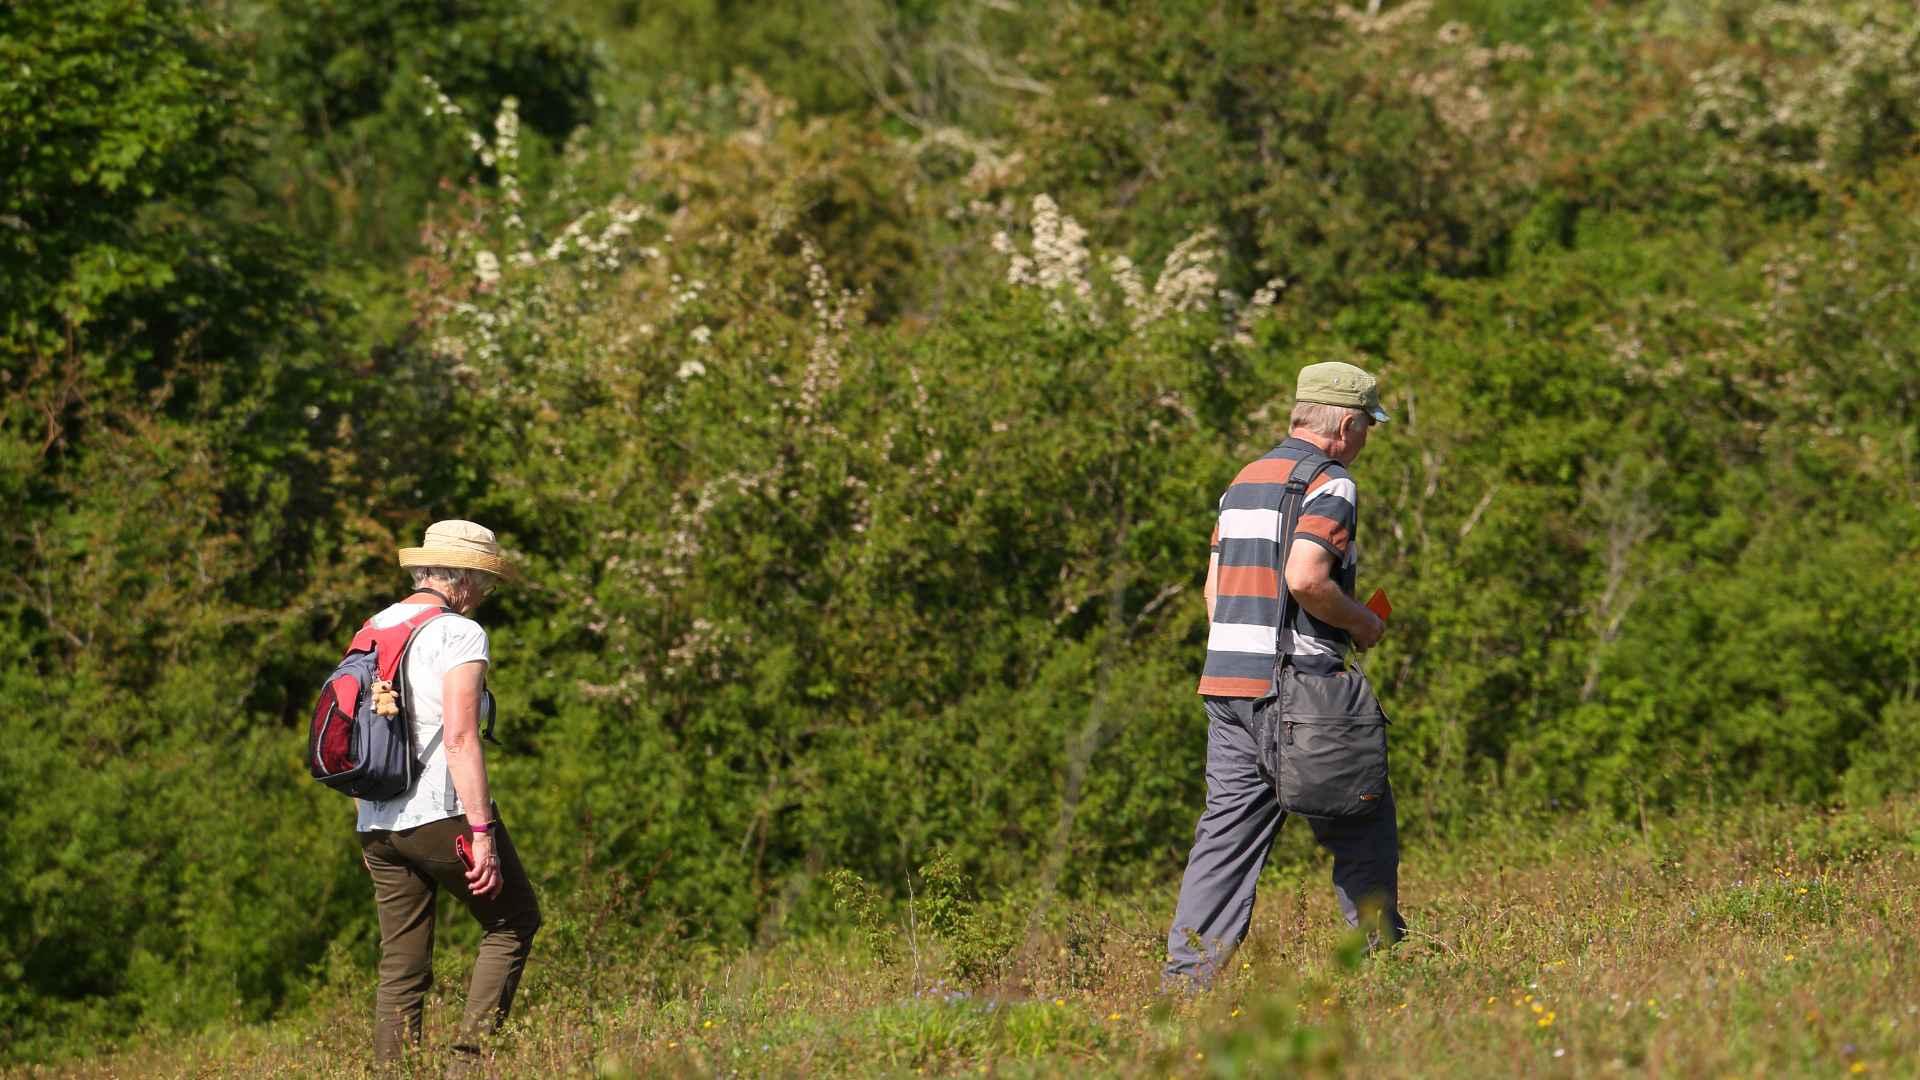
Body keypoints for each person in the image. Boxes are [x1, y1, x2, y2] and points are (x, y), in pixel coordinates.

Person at [1163, 361, 1407, 989]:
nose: (1366, 441)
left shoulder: (1243, 482)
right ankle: (1383, 973)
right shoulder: (1332, 483)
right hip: (1303, 692)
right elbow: (1305, 577)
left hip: (1227, 686)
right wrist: (1360, 625)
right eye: (1367, 428)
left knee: (1224, 844)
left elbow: (1215, 596)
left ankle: (1185, 986)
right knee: (1361, 820)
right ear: (1346, 424)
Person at [355, 519, 541, 1063]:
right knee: (513, 922)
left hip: (380, 823)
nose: (485, 593)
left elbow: (357, 733)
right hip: (443, 814)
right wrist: (481, 832)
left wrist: (367, 821)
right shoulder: (459, 633)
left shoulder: (374, 627)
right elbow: (460, 739)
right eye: (484, 581)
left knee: (401, 967)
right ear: (459, 580)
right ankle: (469, 1063)